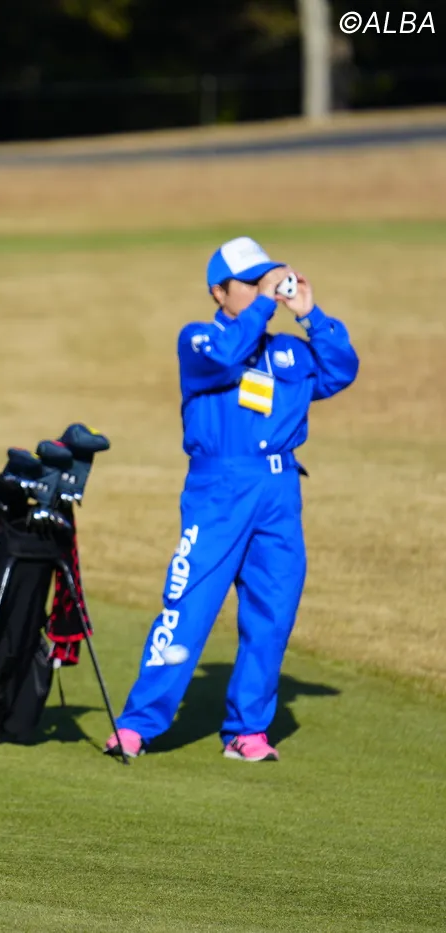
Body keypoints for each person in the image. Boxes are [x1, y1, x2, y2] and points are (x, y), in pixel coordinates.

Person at [106, 236, 359, 762]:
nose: (262, 289)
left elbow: (341, 371)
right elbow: (224, 358)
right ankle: (138, 724)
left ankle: (248, 730)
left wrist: (310, 316)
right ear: (218, 292)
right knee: (189, 605)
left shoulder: (288, 350)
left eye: (266, 279)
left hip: (279, 492)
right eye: (249, 283)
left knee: (273, 612)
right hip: (220, 490)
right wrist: (265, 303)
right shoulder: (198, 340)